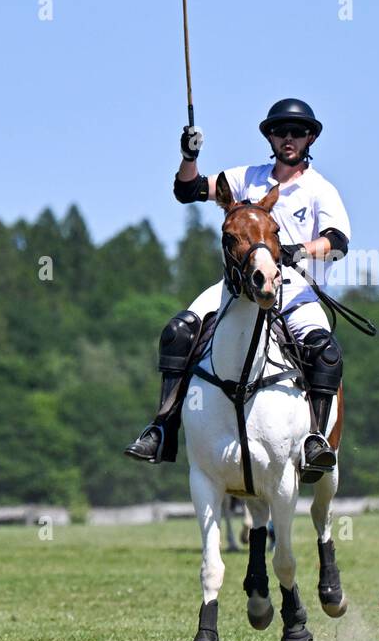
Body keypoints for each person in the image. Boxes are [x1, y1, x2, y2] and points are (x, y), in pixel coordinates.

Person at [124, 98, 351, 480]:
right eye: (280, 132)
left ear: (310, 138)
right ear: (271, 138)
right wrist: (189, 155)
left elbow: (338, 242)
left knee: (326, 353)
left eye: (296, 132)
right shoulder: (248, 177)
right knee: (179, 332)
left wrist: (299, 251)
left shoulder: (319, 190)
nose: (288, 138)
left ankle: (315, 440)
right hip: (236, 289)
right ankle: (162, 428)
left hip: (294, 292)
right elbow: (189, 190)